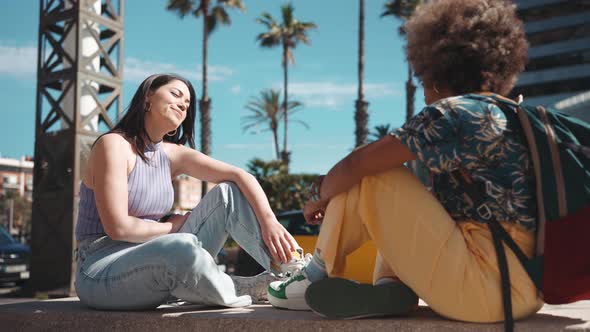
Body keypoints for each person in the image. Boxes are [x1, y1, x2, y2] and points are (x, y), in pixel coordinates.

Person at [267, 0, 544, 324]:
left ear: (436, 69)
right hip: (523, 290)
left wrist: (318, 195)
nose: (421, 88)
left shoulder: (454, 114)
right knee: (406, 191)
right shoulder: (505, 112)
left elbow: (357, 165)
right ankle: (390, 287)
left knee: (373, 172)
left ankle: (315, 275)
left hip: (484, 289)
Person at [74, 73, 304, 310]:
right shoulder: (113, 145)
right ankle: (248, 288)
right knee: (180, 247)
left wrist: (270, 222)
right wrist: (172, 228)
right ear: (147, 98)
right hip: (100, 268)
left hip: (157, 255)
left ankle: (293, 274)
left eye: (187, 105)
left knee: (226, 194)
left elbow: (240, 175)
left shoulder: (172, 155)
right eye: (176, 94)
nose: (183, 105)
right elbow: (118, 227)